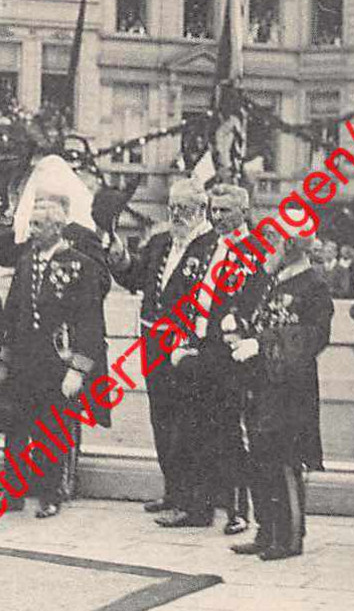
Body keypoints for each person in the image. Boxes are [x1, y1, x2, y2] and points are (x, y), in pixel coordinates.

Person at [108, 177, 220, 519]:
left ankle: (197, 504)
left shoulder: (213, 247)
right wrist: (120, 259)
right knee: (163, 420)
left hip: (186, 348)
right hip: (154, 344)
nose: (177, 215)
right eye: (172, 208)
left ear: (202, 210)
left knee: (191, 425)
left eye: (184, 209)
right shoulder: (160, 242)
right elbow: (136, 278)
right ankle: (174, 492)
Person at [0, 192, 111, 518]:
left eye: (37, 225)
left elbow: (89, 321)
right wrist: (3, 360)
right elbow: (13, 313)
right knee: (16, 430)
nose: (31, 230)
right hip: (23, 363)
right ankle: (14, 491)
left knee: (51, 431)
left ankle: (50, 494)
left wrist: (78, 369)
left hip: (56, 364)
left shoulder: (80, 266)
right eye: (31, 223)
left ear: (56, 228)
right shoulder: (26, 262)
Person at [228, 233, 332, 560]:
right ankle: (266, 529)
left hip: (289, 385)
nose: (267, 252)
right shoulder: (271, 278)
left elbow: (315, 335)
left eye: (273, 244)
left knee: (285, 457)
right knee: (259, 454)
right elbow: (259, 317)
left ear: (288, 247)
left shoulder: (314, 284)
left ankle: (289, 536)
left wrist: (263, 342)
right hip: (260, 379)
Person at [167, 182, 260, 534]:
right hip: (202, 349)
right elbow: (190, 296)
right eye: (214, 210)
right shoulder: (208, 248)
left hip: (232, 352)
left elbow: (255, 298)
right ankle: (199, 506)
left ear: (243, 212)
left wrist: (240, 326)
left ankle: (239, 509)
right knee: (197, 427)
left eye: (225, 211)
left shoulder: (253, 250)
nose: (218, 217)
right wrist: (185, 339)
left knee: (231, 432)